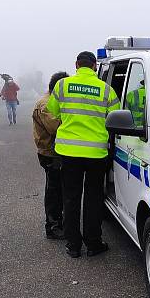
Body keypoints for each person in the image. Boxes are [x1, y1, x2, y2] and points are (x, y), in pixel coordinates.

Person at [47, 51, 119, 258]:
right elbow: (114, 117)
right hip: (96, 153)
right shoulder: (106, 90)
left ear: (76, 65)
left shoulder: (62, 85)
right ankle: (94, 244)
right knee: (93, 198)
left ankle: (73, 246)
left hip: (68, 152)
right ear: (95, 66)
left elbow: (54, 111)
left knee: (70, 198)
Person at [32, 71, 68, 240]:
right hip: (50, 153)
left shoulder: (53, 101)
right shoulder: (46, 104)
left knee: (59, 188)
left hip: (55, 152)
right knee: (54, 189)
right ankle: (53, 226)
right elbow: (55, 128)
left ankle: (58, 222)